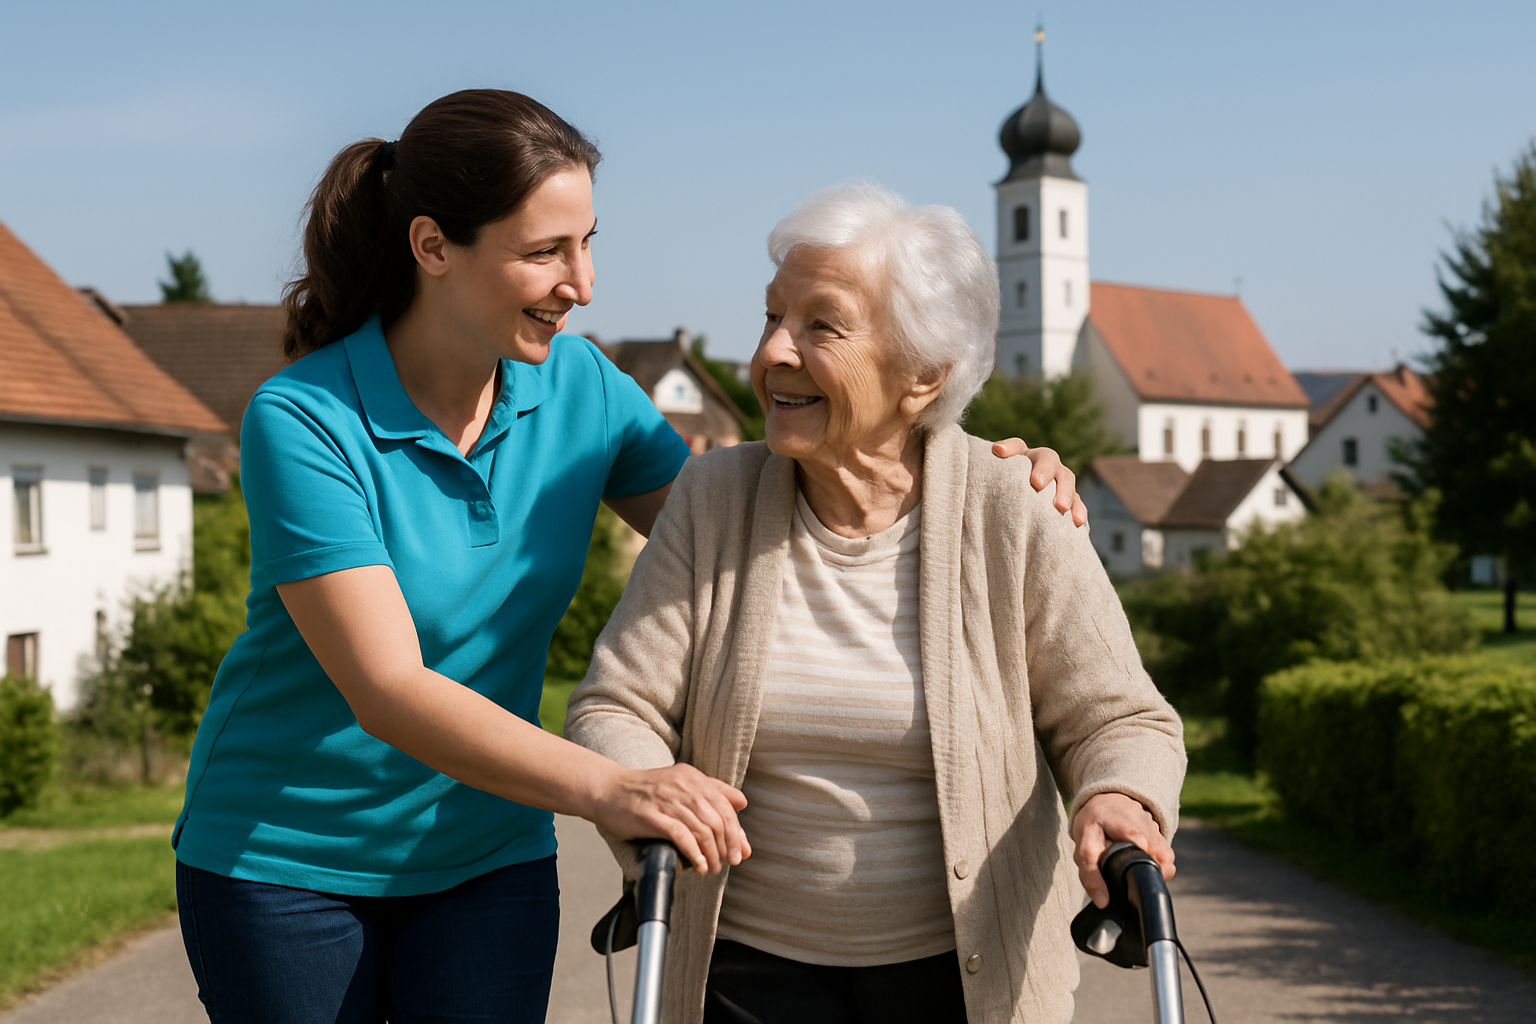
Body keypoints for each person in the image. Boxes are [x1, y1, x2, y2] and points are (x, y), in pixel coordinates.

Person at [170, 92, 1083, 1024]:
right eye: (544, 252)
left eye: (588, 242)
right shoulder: (305, 420)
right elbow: (387, 687)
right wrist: (612, 784)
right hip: (288, 861)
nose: (584, 282)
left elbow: (766, 507)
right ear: (433, 246)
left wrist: (959, 469)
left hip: (486, 855)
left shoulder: (582, 388)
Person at [566, 182, 1186, 1024]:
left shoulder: (1015, 508)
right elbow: (618, 701)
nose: (774, 352)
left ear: (924, 375)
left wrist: (1120, 798)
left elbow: (1121, 720)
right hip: (742, 970)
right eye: (771, 317)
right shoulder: (713, 496)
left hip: (965, 976)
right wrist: (650, 787)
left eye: (821, 325)